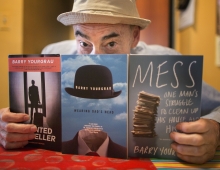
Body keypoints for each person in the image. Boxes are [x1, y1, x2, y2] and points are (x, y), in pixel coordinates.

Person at [0, 0, 219, 164]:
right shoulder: (53, 54)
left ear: (134, 37)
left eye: (111, 43)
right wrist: (9, 125)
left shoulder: (169, 63)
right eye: (84, 42)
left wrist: (215, 130)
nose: (96, 57)